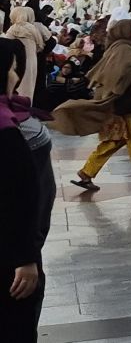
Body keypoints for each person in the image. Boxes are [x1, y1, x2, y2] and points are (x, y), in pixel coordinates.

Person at [52, 14, 131, 193]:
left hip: (120, 104)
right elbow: (120, 75)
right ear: (124, 32)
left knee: (116, 140)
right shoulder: (123, 50)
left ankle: (87, 172)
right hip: (127, 105)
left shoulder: (118, 48)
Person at [1, 47, 52, 342]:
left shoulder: (14, 118)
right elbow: (21, 198)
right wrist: (26, 257)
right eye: (10, 68)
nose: (14, 75)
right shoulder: (9, 131)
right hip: (11, 259)